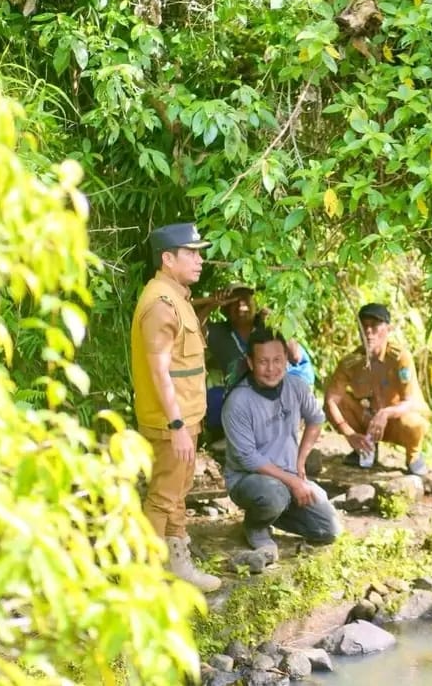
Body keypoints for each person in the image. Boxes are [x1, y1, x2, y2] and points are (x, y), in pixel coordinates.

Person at [130, 222, 221, 592]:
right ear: (168, 259)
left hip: (186, 418)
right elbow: (159, 370)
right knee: (163, 497)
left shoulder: (177, 297)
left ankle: (177, 564)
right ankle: (147, 578)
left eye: (200, 252)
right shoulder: (160, 305)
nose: (200, 260)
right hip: (171, 423)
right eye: (192, 253)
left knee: (177, 494)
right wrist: (177, 425)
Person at [223, 329, 340, 561]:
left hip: (288, 476)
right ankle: (256, 525)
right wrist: (294, 482)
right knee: (274, 494)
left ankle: (273, 513)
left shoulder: (296, 386)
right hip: (249, 480)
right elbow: (248, 458)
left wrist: (300, 461)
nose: (271, 368)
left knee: (329, 530)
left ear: (286, 359)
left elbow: (316, 419)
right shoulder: (238, 402)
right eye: (263, 362)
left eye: (277, 360)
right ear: (250, 362)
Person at [324, 303, 432, 476]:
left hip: (396, 421)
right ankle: (365, 448)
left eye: (374, 326)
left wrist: (386, 413)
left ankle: (413, 455)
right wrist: (349, 433)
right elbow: (331, 400)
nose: (368, 331)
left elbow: (410, 402)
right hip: (367, 422)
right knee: (339, 401)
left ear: (387, 329)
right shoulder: (350, 362)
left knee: (414, 423)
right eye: (364, 326)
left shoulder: (399, 358)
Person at [206, 284, 316, 391]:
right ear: (225, 309)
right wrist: (212, 304)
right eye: (234, 301)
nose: (241, 305)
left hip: (293, 383)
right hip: (254, 393)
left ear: (255, 304)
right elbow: (193, 328)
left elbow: (296, 356)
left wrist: (276, 324)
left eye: (246, 299)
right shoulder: (220, 333)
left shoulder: (268, 323)